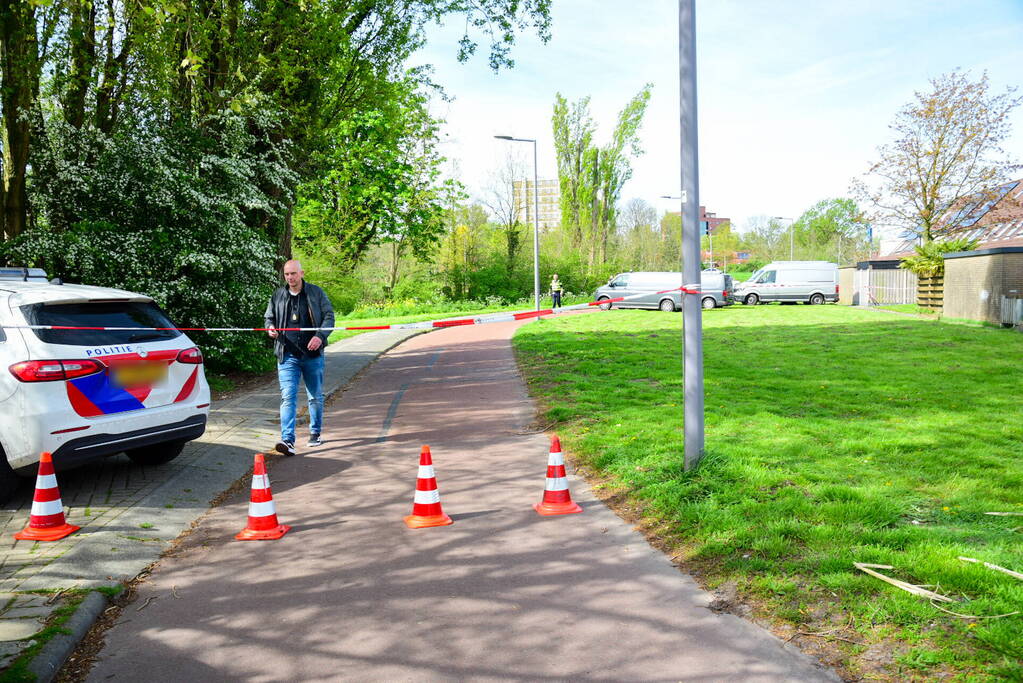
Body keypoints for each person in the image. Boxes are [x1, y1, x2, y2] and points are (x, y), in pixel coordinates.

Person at [264, 260, 335, 456]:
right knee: (288, 396)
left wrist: (320, 336)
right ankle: (287, 440)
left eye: (293, 273)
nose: (290, 278)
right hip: (287, 355)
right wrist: (270, 328)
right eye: (287, 274)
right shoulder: (278, 295)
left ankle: (315, 432)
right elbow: (269, 318)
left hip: (312, 356)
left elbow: (329, 317)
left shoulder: (315, 292)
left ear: (301, 273)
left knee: (315, 396)